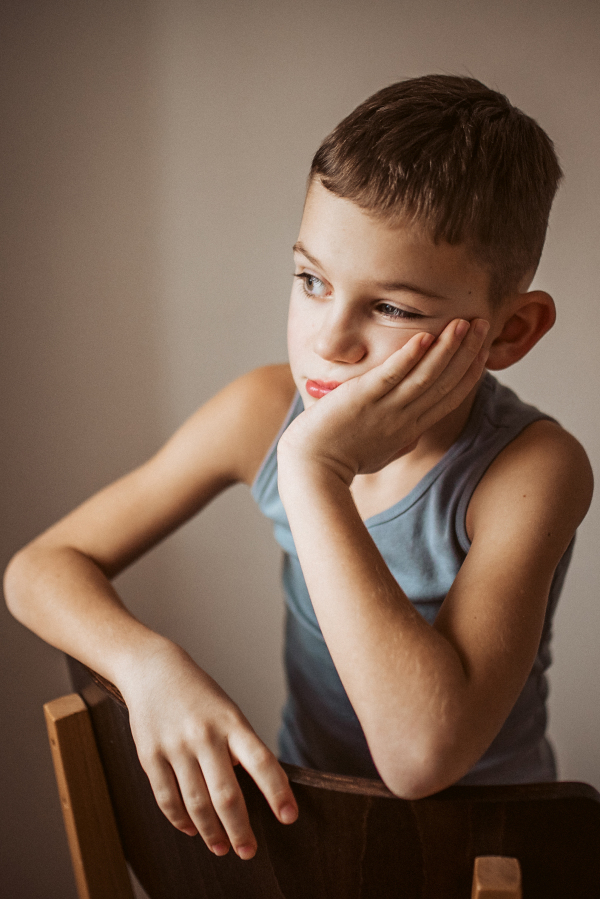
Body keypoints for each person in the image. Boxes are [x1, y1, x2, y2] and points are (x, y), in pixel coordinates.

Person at [4, 75, 593, 863]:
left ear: (510, 331)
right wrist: (147, 666)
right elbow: (39, 568)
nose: (329, 340)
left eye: (392, 308)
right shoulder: (264, 408)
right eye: (312, 281)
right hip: (305, 843)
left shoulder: (531, 469)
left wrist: (315, 470)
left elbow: (421, 758)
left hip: (481, 858)